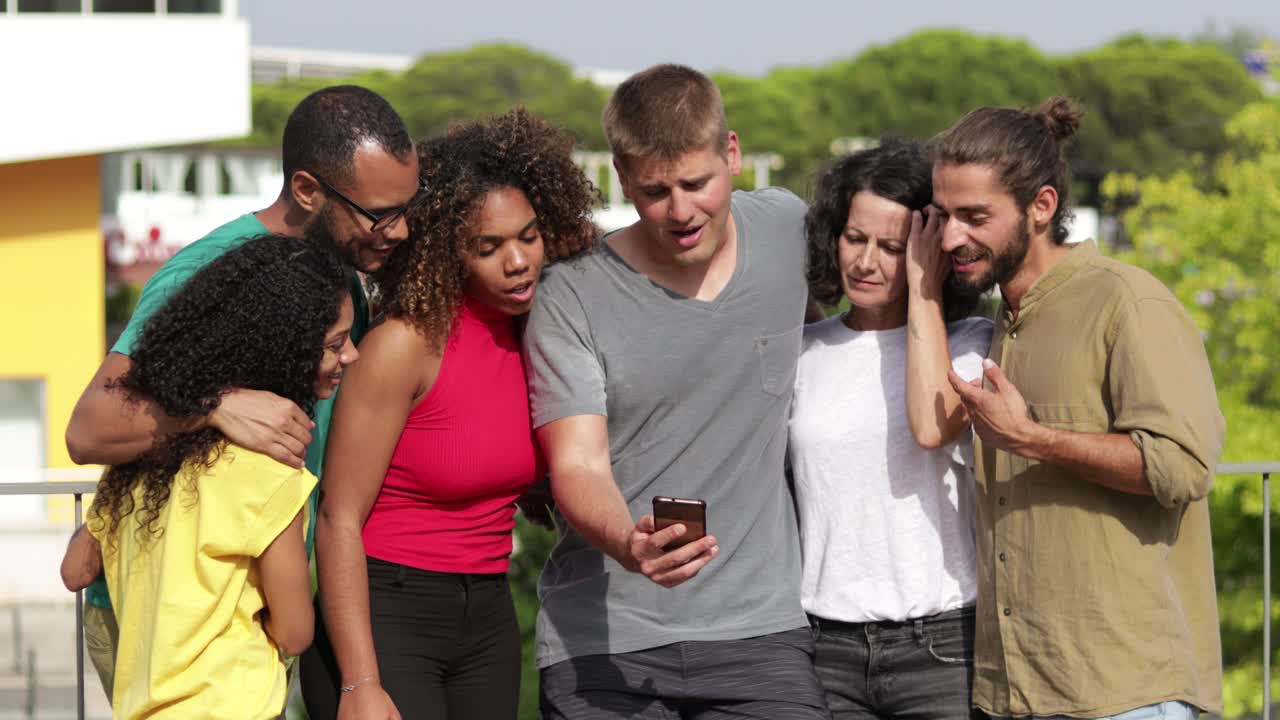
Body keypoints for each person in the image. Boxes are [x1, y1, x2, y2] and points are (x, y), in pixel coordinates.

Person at [60, 84, 418, 700]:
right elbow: (88, 428)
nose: (401, 230)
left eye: (409, 207)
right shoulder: (211, 268)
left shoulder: (340, 279)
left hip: (245, 614)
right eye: (380, 214)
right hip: (164, 614)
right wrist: (217, 404)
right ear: (307, 190)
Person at [524, 63, 830, 720]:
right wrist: (630, 545)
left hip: (764, 635)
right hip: (604, 647)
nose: (682, 210)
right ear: (623, 175)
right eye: (656, 191)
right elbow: (577, 464)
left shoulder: (788, 229)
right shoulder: (570, 293)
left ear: (734, 153)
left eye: (698, 183)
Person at [929, 97, 1224, 719]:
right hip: (1014, 692)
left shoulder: (1128, 302)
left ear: (1042, 207)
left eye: (974, 216)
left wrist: (1034, 438)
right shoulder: (1000, 325)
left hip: (1125, 694)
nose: (952, 236)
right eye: (944, 214)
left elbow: (1182, 468)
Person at [299, 109, 597, 720]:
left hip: (488, 612)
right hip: (386, 613)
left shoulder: (543, 333)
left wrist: (531, 481)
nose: (518, 262)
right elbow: (338, 519)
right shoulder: (403, 346)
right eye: (488, 248)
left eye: (529, 236)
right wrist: (358, 682)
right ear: (446, 252)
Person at [60, 235, 359, 718]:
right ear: (280, 350)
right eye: (335, 344)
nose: (352, 356)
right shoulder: (273, 473)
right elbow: (296, 632)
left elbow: (76, 572)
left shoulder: (137, 464)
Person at [789, 139, 992, 719]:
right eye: (855, 238)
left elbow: (936, 423)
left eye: (892, 247)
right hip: (826, 647)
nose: (866, 262)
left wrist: (925, 287)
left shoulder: (972, 344)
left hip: (943, 646)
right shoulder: (804, 351)